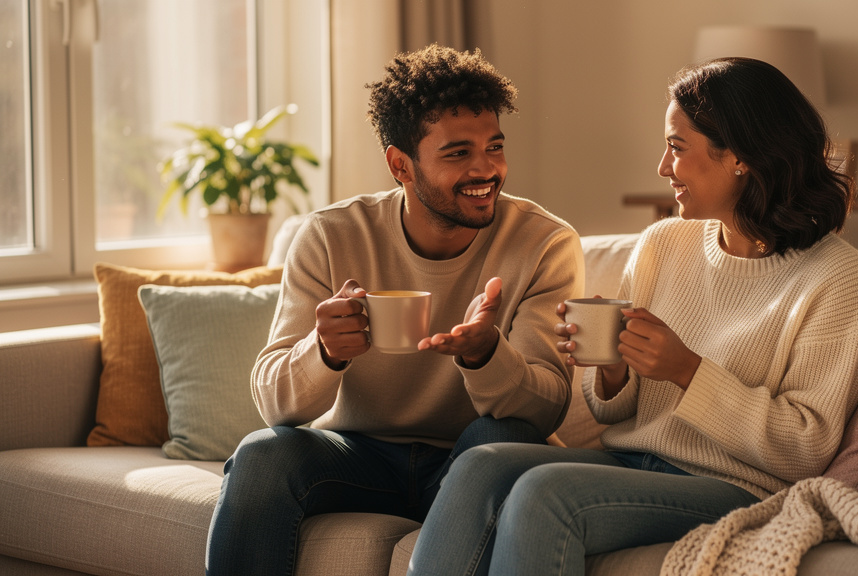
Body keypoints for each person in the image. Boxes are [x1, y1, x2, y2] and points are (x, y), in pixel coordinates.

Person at [406, 57, 858, 576]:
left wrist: (686, 371)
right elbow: (614, 412)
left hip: (735, 487)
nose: (662, 167)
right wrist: (612, 368)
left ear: (741, 156)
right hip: (631, 463)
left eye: (677, 148)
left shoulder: (836, 278)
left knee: (547, 494)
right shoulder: (663, 244)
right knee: (482, 464)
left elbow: (806, 449)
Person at [205, 44, 584, 575]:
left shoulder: (545, 243)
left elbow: (548, 407)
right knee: (262, 454)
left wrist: (485, 355)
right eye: (458, 153)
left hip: (468, 458)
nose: (486, 169)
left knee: (504, 441)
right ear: (400, 164)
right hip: (357, 456)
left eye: (494, 147)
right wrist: (325, 353)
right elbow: (275, 403)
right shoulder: (331, 236)